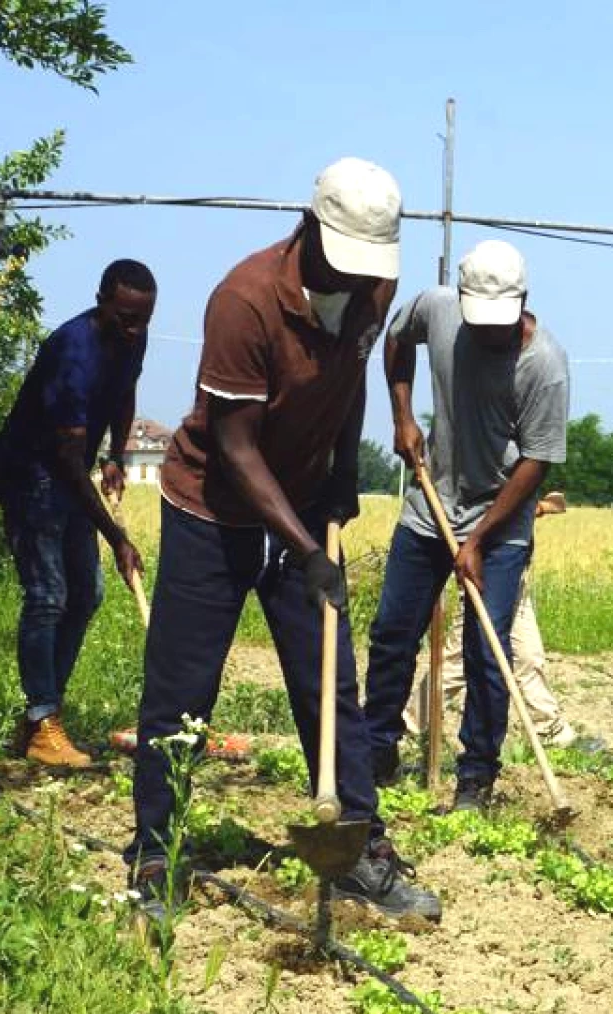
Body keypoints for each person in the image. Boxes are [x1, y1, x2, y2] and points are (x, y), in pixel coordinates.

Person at [126, 158, 438, 922]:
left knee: (330, 686)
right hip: (213, 515)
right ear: (312, 228)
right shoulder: (245, 301)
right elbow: (235, 447)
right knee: (181, 694)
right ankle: (155, 855)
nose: (363, 276)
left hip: (301, 507)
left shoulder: (372, 291)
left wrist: (337, 475)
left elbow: (352, 376)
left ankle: (359, 847)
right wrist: (303, 551)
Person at [363, 240, 569, 809]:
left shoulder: (544, 365)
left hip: (499, 523)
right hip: (431, 505)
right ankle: (376, 747)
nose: (486, 333)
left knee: (485, 650)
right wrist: (403, 416)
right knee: (392, 633)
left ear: (522, 301)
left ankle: (475, 774)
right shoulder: (437, 307)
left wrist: (479, 540)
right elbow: (397, 342)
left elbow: (537, 462)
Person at [0, 259, 156, 767]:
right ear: (102, 300)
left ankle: (44, 717)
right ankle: (42, 721)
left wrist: (116, 457)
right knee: (48, 595)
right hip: (30, 471)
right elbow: (63, 458)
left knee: (88, 591)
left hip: (71, 468)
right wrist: (117, 535)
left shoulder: (134, 338)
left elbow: (125, 393)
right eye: (126, 318)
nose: (135, 329)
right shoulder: (72, 351)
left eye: (143, 319)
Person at [410, 490, 588, 759]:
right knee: (457, 660)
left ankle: (552, 731)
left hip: (515, 575)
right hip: (489, 570)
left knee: (528, 657)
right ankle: (411, 724)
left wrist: (534, 506)